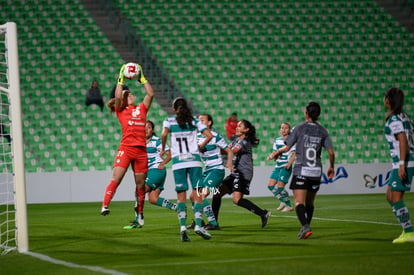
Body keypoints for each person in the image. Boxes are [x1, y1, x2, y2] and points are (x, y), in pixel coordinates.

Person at [272, 101, 335, 240]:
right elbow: (331, 152)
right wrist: (332, 167)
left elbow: (287, 147)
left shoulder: (299, 128)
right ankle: (305, 226)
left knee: (299, 202)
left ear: (306, 113)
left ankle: (305, 226)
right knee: (310, 203)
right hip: (316, 171)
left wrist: (277, 153)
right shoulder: (322, 131)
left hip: (301, 170)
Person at [101, 63, 154, 216]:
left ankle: (140, 212)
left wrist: (142, 79)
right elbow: (117, 96)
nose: (129, 94)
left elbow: (150, 94)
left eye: (129, 93)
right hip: (126, 148)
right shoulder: (121, 110)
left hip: (141, 151)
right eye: (126, 94)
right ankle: (105, 205)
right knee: (116, 178)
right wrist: (121, 80)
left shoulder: (141, 108)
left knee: (140, 184)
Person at [161, 97, 214, 241]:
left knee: (181, 197)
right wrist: (199, 146)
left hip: (178, 162)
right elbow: (208, 135)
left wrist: (163, 148)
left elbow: (164, 134)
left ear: (173, 109)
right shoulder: (195, 121)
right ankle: (198, 225)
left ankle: (183, 227)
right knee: (198, 195)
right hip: (195, 161)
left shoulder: (169, 121)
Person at [212, 119, 271, 228]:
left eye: (240, 126)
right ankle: (214, 223)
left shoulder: (244, 142)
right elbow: (227, 149)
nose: (237, 127)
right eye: (237, 126)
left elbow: (231, 151)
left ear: (246, 130)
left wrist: (212, 148)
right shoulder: (236, 140)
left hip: (243, 174)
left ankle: (263, 213)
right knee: (217, 194)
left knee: (237, 200)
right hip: (236, 173)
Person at [124, 120, 177, 229]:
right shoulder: (139, 142)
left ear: (152, 130)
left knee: (139, 191)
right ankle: (178, 208)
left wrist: (163, 163)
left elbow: (170, 154)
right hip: (151, 172)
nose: (145, 129)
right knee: (153, 199)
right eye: (143, 127)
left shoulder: (156, 141)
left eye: (148, 127)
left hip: (156, 171)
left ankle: (138, 219)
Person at [188, 114, 234, 230]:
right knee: (192, 196)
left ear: (209, 123)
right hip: (206, 170)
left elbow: (229, 150)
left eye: (202, 120)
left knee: (202, 195)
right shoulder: (197, 136)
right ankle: (199, 221)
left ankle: (213, 223)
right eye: (198, 120)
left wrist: (229, 162)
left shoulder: (215, 136)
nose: (200, 122)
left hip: (217, 170)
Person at [383, 87, 414, 243]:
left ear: (388, 100)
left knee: (396, 198)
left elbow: (402, 140)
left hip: (404, 162)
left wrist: (402, 164)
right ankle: (406, 230)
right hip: (403, 162)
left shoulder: (395, 119)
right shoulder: (405, 117)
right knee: (390, 195)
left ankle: (409, 232)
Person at [266, 122, 296, 212]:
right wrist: (272, 157)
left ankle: (289, 205)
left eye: (286, 128)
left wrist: (289, 163)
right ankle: (282, 201)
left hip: (285, 166)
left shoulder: (291, 140)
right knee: (270, 185)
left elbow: (294, 153)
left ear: (289, 130)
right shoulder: (277, 140)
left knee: (280, 187)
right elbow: (275, 152)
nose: (283, 130)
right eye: (282, 128)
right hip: (278, 166)